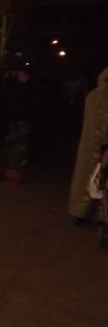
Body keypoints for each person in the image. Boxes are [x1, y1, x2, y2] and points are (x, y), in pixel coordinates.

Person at [68, 68, 108, 223]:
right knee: (97, 179)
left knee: (92, 178)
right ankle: (94, 214)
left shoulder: (92, 97)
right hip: (98, 146)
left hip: (94, 146)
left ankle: (85, 212)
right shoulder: (94, 97)